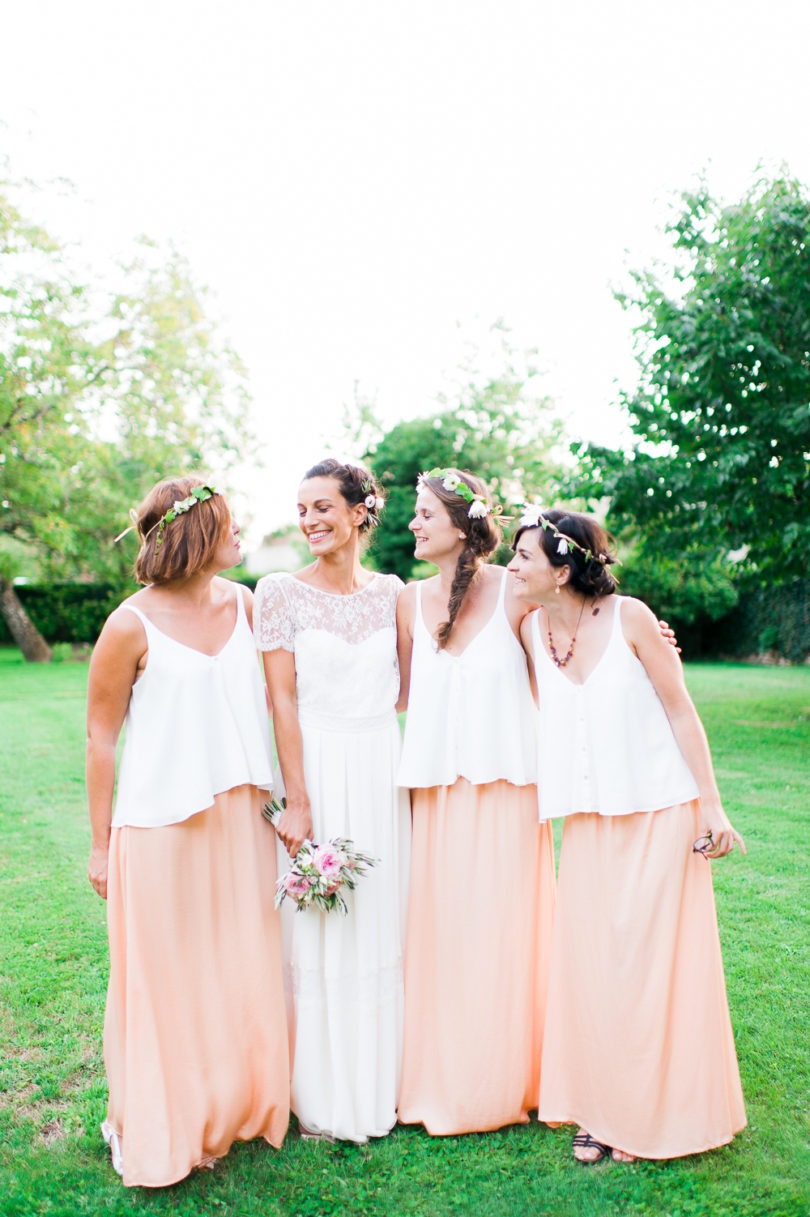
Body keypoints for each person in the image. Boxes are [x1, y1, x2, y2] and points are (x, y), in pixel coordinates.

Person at [508, 506, 747, 1163]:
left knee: (651, 971)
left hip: (658, 811)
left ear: (561, 570)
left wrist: (712, 807)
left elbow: (681, 708)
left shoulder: (633, 618)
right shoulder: (529, 630)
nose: (512, 565)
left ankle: (651, 1113)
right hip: (585, 822)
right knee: (592, 969)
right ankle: (598, 1109)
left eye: (525, 555)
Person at [86, 477, 290, 1187]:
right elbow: (100, 737)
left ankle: (230, 1106)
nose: (242, 536)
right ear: (200, 533)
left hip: (239, 819)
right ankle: (159, 1118)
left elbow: (289, 687)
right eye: (231, 524)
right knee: (165, 978)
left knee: (235, 965)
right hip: (158, 825)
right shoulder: (129, 625)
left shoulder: (246, 601)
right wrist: (99, 842)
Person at [253, 458, 411, 1144]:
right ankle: (315, 1089)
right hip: (314, 759)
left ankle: (381, 1082)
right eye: (303, 509)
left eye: (323, 507)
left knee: (375, 917)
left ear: (358, 511)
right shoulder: (278, 591)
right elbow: (279, 698)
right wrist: (299, 798)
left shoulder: (394, 594)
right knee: (316, 922)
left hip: (380, 767)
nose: (311, 520)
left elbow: (416, 684)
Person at [395, 469, 556, 1134]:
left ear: (462, 525)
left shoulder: (517, 592)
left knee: (505, 940)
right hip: (435, 802)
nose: (414, 523)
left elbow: (567, 664)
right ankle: (445, 1077)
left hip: (507, 798)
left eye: (426, 512)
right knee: (443, 943)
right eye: (414, 512)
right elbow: (397, 697)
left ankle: (511, 1078)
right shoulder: (406, 602)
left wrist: (652, 638)